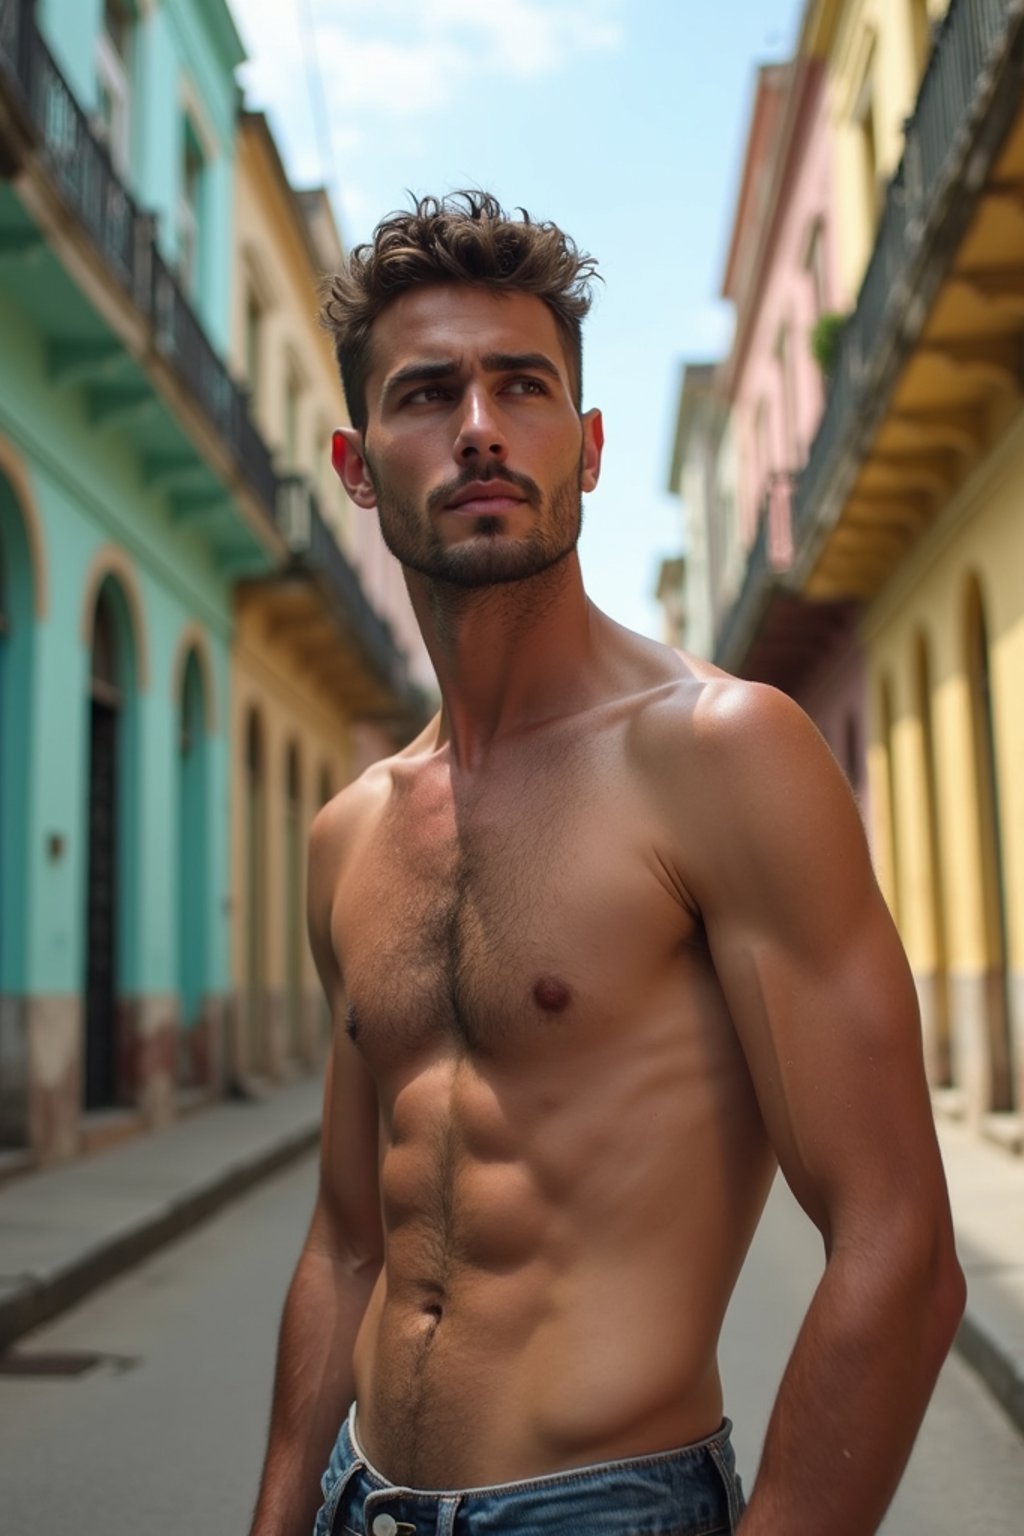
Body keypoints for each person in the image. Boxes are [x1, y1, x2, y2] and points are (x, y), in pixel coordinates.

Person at [248, 191, 964, 1536]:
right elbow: (347, 1241)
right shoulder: (348, 831)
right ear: (356, 464)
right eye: (425, 394)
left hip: (606, 1506)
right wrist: (281, 1511)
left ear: (585, 446)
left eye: (521, 387)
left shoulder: (721, 754)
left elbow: (901, 1249)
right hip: (361, 1494)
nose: (477, 427)